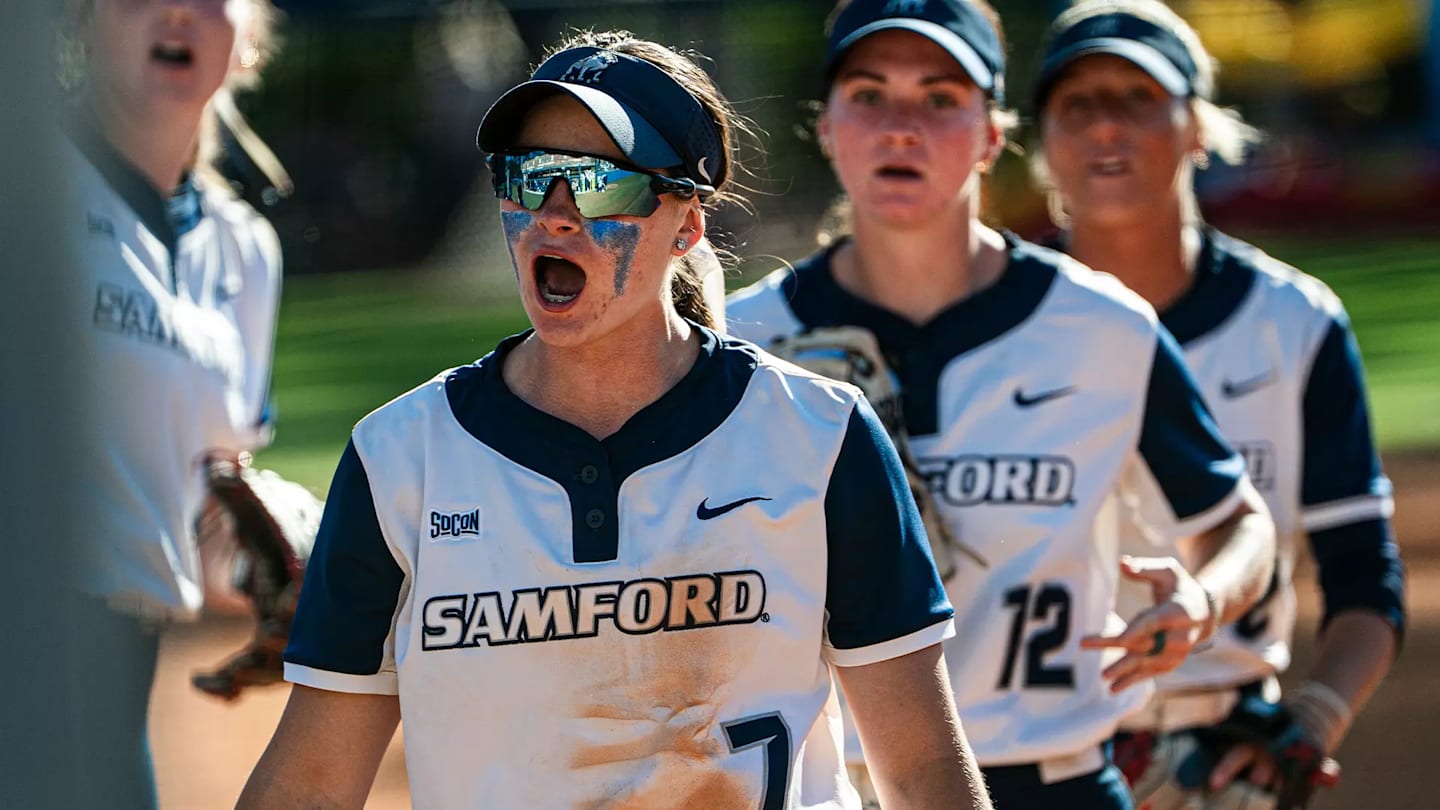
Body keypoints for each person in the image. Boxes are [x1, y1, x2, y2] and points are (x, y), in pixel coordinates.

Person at [238, 30, 992, 810]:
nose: (555, 215)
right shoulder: (402, 459)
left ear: (686, 225)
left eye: (601, 185)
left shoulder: (820, 438)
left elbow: (920, 767)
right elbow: (312, 784)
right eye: (531, 177)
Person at [725, 1, 1277, 807]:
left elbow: (1240, 525)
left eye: (940, 98)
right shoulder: (741, 341)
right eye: (870, 95)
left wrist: (1202, 600)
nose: (901, 128)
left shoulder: (1103, 328)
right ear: (828, 127)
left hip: (1058, 784)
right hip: (840, 793)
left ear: (992, 134)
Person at [1030, 1, 1407, 806]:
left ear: (1198, 127)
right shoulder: (993, 323)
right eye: (1077, 103)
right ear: (1043, 140)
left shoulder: (1293, 322)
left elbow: (1363, 576)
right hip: (1033, 753)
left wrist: (1314, 719)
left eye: (1138, 97)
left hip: (1222, 757)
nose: (1106, 126)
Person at [57, 0, 288, 804]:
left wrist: (285, 571)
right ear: (78, 22)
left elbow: (203, 505)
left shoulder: (244, 251)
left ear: (248, 39)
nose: (177, 11)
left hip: (119, 673)